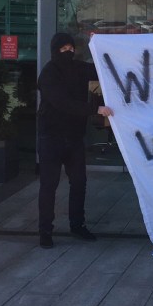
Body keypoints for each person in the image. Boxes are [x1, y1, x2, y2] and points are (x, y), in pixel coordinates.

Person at [37, 32, 113, 249]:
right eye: (64, 49)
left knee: (79, 183)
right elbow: (62, 102)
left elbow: (101, 67)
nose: (69, 52)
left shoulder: (79, 68)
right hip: (51, 137)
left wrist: (99, 43)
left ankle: (77, 225)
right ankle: (45, 231)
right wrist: (94, 109)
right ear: (55, 51)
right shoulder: (48, 74)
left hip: (74, 137)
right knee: (48, 185)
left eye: (71, 48)